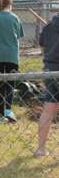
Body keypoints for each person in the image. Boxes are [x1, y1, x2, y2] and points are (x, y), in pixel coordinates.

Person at [35, 14, 59, 157]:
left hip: (49, 71)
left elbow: (42, 45)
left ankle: (41, 149)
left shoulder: (49, 26)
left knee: (48, 111)